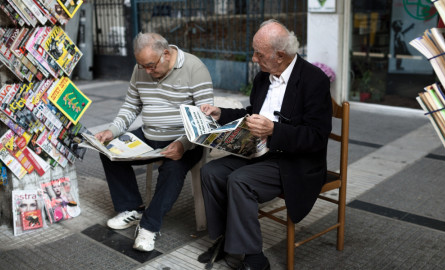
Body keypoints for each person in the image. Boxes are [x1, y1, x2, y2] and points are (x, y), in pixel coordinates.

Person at [198, 19, 332, 270]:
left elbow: (316, 136)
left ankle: (254, 258)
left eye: (259, 53)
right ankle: (227, 239)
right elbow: (252, 114)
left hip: (294, 161)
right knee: (211, 172)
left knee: (241, 181)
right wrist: (220, 114)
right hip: (259, 152)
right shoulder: (263, 77)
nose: (253, 59)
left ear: (280, 55)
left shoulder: (314, 80)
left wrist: (274, 130)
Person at [94, 32, 213, 252]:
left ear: (166, 54)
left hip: (186, 139)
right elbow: (130, 107)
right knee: (106, 149)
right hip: (149, 135)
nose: (147, 72)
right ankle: (131, 208)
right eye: (142, 66)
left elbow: (205, 119)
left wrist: (183, 144)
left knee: (172, 169)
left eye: (150, 66)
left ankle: (149, 226)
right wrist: (111, 131)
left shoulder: (195, 68)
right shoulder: (141, 68)